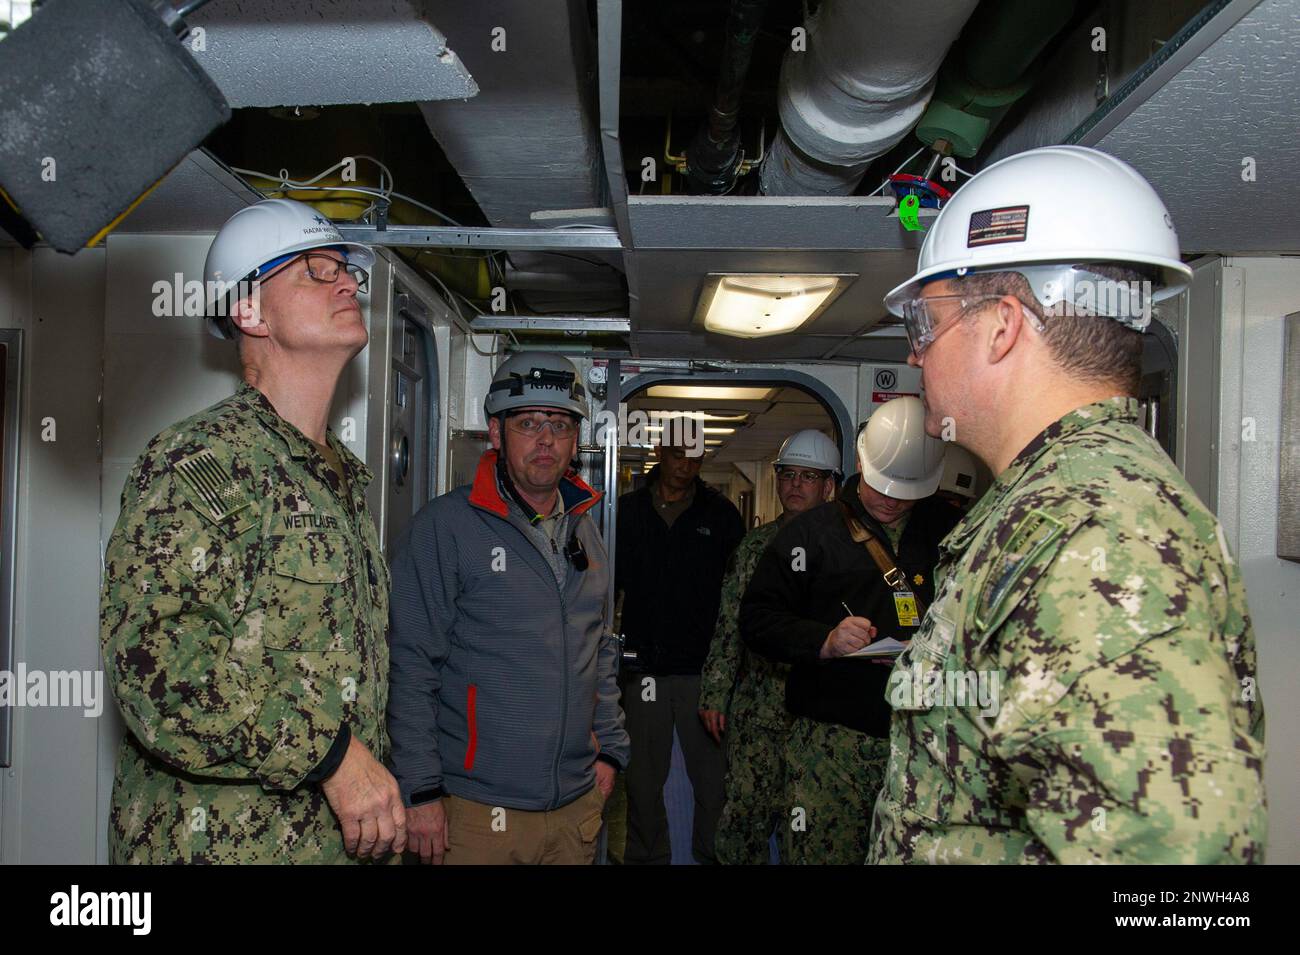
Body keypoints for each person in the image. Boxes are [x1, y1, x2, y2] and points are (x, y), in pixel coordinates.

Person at [870, 144, 1267, 864]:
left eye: (925, 327)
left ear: (1001, 325)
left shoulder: (1100, 534)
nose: (918, 356)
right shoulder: (1053, 506)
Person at [100, 198, 404, 863]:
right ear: (249, 312)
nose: (347, 281)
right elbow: (158, 676)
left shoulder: (341, 478)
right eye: (315, 272)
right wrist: (329, 756)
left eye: (345, 271)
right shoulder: (200, 463)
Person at [388, 352, 629, 865]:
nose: (546, 439)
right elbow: (410, 666)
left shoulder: (586, 530)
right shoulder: (446, 529)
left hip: (574, 806)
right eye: (528, 423)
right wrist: (422, 790)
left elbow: (600, 649)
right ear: (495, 434)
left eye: (560, 424)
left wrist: (609, 750)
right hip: (475, 813)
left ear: (576, 439)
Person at [740, 397, 959, 864]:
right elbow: (758, 620)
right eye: (884, 485)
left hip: (923, 741)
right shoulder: (810, 534)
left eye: (906, 491)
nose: (891, 500)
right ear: (861, 462)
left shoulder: (952, 530)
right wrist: (824, 640)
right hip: (832, 742)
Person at [699, 429, 841, 865]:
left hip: (822, 717)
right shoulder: (756, 547)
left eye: (809, 477)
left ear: (829, 486)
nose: (795, 485)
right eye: (788, 475)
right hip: (758, 709)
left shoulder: (847, 549)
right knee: (745, 821)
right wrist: (714, 693)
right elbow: (729, 625)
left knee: (815, 828)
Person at [616, 423, 745, 864]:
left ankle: (711, 858)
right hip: (644, 670)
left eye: (694, 458)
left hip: (702, 674)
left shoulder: (721, 515)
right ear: (660, 451)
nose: (684, 466)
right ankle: (648, 859)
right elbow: (606, 589)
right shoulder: (628, 512)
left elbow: (736, 599)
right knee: (642, 782)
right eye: (677, 455)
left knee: (713, 783)